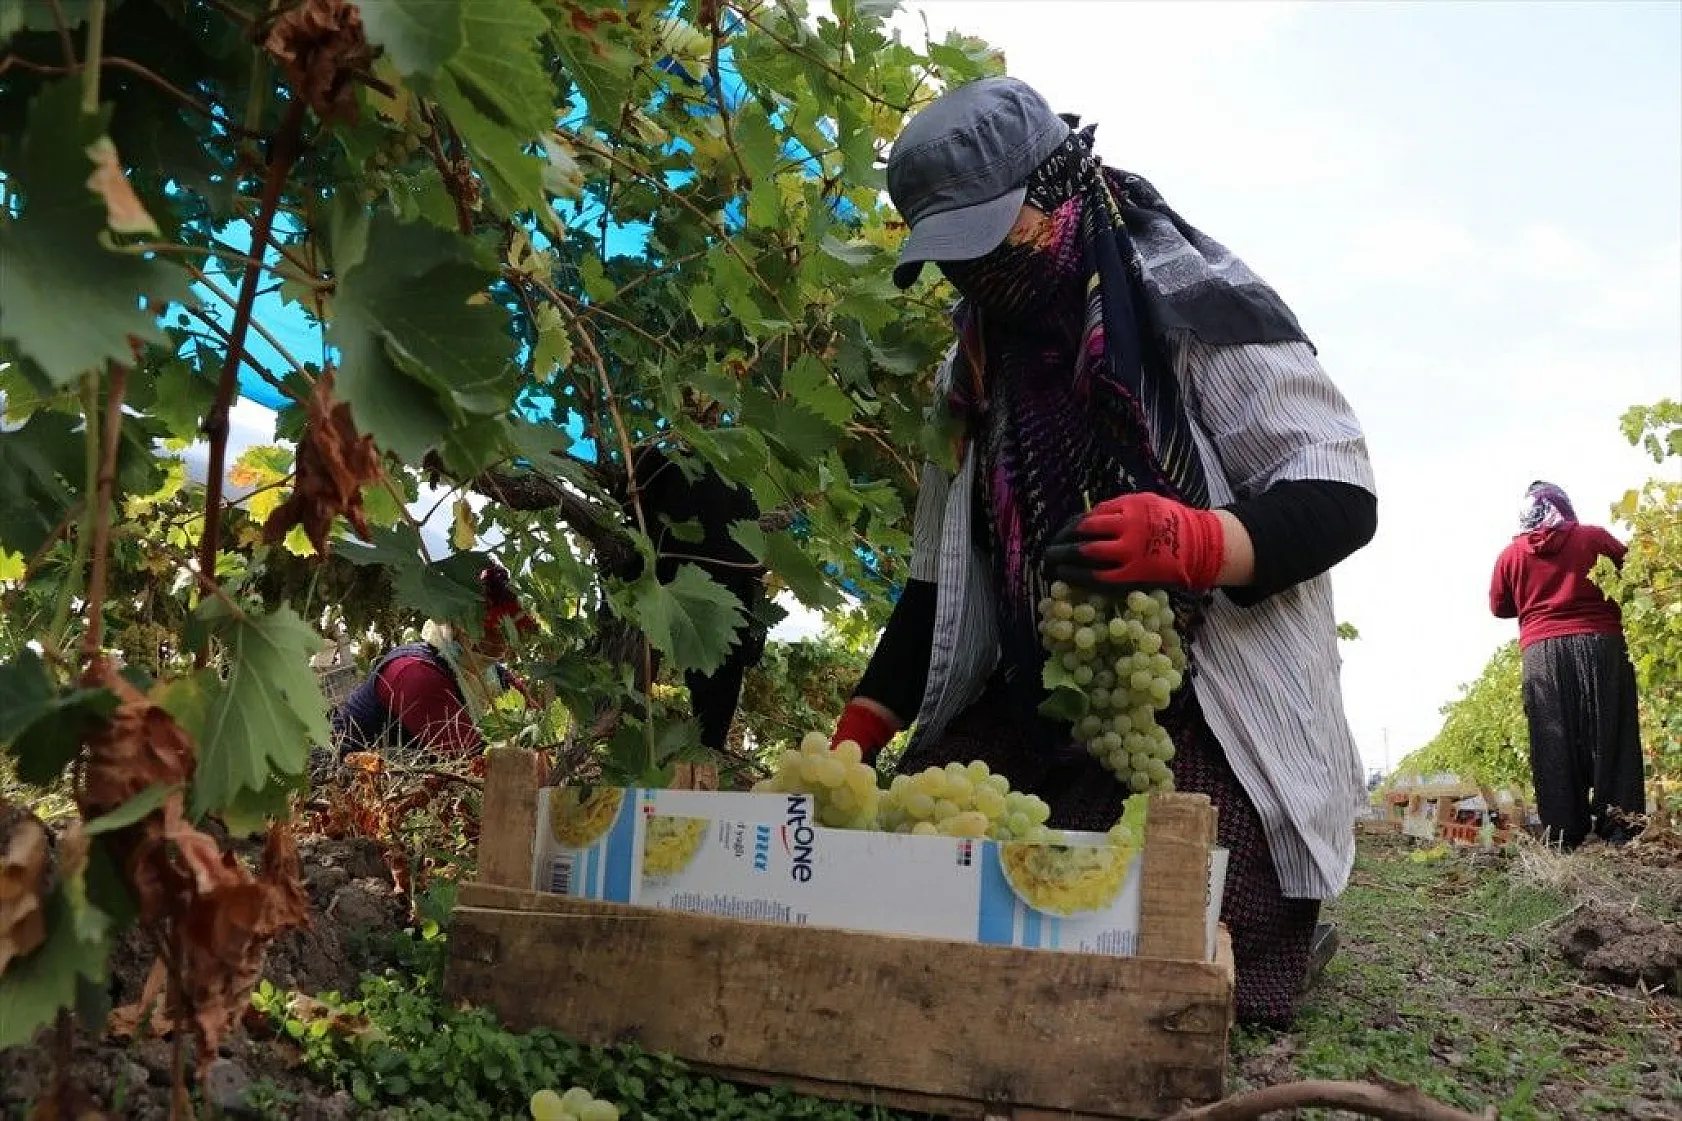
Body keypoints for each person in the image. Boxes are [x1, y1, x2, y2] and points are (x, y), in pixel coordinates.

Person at [827, 77, 1377, 1027]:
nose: (980, 276)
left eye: (992, 239)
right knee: (916, 867)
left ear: (1060, 188)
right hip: (1047, 693)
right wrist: (853, 740)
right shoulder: (975, 372)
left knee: (1148, 914)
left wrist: (1199, 539)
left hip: (1203, 695)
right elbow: (933, 585)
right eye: (956, 257)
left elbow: (1341, 495)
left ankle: (1295, 921)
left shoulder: (1192, 301)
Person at [1489, 481, 1645, 848]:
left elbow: (1499, 607)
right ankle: (1621, 830)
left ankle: (1564, 834)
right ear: (1565, 507)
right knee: (1613, 736)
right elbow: (1633, 571)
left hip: (1542, 653)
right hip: (1601, 644)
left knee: (1553, 741)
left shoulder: (1510, 556)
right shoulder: (1594, 539)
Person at [330, 564, 537, 760]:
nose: (502, 643)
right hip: (342, 782)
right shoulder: (416, 675)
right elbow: (476, 762)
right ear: (457, 625)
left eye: (510, 632)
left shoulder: (492, 676)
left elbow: (538, 722)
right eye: (491, 630)